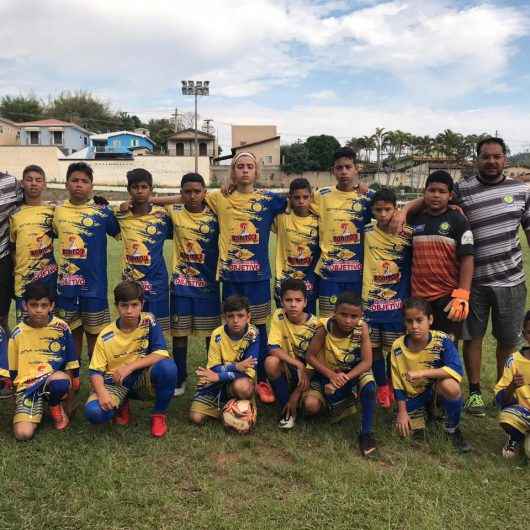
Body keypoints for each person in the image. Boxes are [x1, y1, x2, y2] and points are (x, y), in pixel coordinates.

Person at [398, 137, 530, 417]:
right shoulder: (463, 189)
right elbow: (434, 195)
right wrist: (405, 210)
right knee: (473, 337)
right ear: (477, 159)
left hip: (511, 279)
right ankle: (473, 392)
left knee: (507, 338)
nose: (491, 161)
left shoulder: (521, 189)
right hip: (475, 282)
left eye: (497, 156)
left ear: (505, 158)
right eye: (485, 156)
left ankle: (502, 391)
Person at [84, 280, 177, 438]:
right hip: (115, 382)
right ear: (117, 306)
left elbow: (161, 353)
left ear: (142, 304)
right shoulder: (106, 335)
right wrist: (102, 394)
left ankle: (159, 415)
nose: (129, 311)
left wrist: (130, 367)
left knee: (168, 369)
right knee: (94, 413)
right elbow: (95, 372)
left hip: (141, 377)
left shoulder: (149, 321)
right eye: (124, 305)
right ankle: (121, 404)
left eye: (134, 305)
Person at [53, 162, 120, 364]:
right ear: (66, 184)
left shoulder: (103, 212)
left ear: (91, 186)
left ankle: (95, 380)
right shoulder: (57, 212)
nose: (79, 185)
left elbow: (119, 231)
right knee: (71, 333)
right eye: (75, 180)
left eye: (84, 181)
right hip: (67, 286)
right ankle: (72, 377)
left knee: (95, 335)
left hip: (95, 287)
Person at [0, 282, 79, 440]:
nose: (39, 310)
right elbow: (13, 371)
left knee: (60, 383)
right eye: (34, 305)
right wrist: (18, 396)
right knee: (23, 434)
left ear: (51, 306)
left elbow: (71, 362)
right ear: (24, 306)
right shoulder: (17, 333)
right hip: (27, 386)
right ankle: (36, 406)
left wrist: (70, 397)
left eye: (44, 305)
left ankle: (55, 405)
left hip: (52, 379)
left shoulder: (61, 328)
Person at [390, 298, 471, 453]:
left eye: (419, 320)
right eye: (409, 321)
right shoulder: (397, 347)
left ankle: (452, 429)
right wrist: (401, 412)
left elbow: (455, 370)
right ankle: (427, 413)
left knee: (451, 387)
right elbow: (397, 383)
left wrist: (422, 373)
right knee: (406, 434)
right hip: (412, 395)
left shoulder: (442, 340)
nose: (414, 326)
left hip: (436, 389)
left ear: (430, 319)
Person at [165, 172, 220, 397]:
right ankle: (180, 377)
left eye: (197, 191)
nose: (192, 196)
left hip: (209, 285)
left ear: (205, 193)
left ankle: (211, 374)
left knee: (211, 334)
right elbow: (151, 203)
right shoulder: (174, 212)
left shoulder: (216, 215)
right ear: (181, 195)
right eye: (187, 192)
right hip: (181, 284)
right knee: (180, 333)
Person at [303, 291, 377, 457]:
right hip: (328, 373)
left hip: (353, 372)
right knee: (310, 405)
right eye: (343, 314)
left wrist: (345, 378)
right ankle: (340, 403)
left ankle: (367, 433)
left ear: (360, 316)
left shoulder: (362, 328)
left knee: (370, 387)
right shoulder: (325, 327)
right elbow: (310, 356)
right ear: (334, 312)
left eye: (354, 316)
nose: (348, 320)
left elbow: (367, 362)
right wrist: (331, 375)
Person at [408, 171, 474, 341]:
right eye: (431, 190)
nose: (436, 195)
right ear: (424, 193)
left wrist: (462, 294)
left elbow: (467, 258)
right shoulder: (414, 218)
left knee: (446, 348)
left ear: (450, 195)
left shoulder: (458, 220)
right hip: (419, 298)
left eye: (442, 192)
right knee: (420, 346)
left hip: (447, 298)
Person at [362, 187, 412, 408]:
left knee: (394, 349)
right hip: (370, 303)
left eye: (388, 210)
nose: (383, 214)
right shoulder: (365, 232)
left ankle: (393, 384)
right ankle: (381, 385)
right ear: (372, 210)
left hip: (395, 304)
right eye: (378, 210)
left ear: (396, 209)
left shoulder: (407, 234)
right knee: (372, 347)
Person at [312, 147, 374, 317]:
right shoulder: (320, 196)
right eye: (339, 168)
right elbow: (296, 206)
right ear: (333, 171)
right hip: (329, 274)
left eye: (348, 167)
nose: (344, 172)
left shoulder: (368, 197)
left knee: (355, 323)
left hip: (358, 274)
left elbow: (392, 215)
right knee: (327, 321)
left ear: (356, 169)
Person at [115, 168, 172, 332]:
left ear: (151, 189)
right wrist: (121, 206)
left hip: (157, 283)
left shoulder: (163, 215)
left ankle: (157, 357)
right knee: (132, 328)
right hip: (130, 283)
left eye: (144, 187)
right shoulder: (120, 216)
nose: (140, 191)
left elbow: (184, 201)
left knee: (156, 328)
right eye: (135, 187)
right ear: (128, 190)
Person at [189, 295, 259, 426]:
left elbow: (248, 372)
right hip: (216, 382)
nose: (236, 320)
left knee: (242, 387)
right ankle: (227, 409)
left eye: (240, 315)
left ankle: (240, 406)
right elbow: (214, 368)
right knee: (196, 417)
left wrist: (218, 376)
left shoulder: (253, 334)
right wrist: (235, 366)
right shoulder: (217, 334)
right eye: (231, 316)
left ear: (248, 317)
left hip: (238, 381)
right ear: (224, 317)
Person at [265, 278, 321, 429]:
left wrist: (296, 395)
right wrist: (297, 364)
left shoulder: (316, 325)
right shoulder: (279, 315)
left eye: (298, 300)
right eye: (288, 300)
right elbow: (273, 348)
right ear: (281, 302)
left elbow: (315, 363)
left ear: (305, 302)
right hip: (292, 369)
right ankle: (286, 409)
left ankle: (299, 401)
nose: (293, 304)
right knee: (271, 362)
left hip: (310, 373)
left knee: (312, 406)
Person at [10, 165, 57, 323]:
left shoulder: (53, 212)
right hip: (23, 282)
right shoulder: (14, 214)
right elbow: (12, 248)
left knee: (49, 328)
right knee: (24, 330)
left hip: (47, 279)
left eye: (38, 180)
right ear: (22, 183)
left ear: (44, 184)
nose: (34, 183)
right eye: (29, 180)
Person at [273, 178, 319, 314]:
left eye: (305, 197)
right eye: (296, 197)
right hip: (284, 280)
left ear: (311, 197)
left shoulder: (319, 219)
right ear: (290, 198)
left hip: (309, 280)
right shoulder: (282, 218)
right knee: (284, 324)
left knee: (308, 323)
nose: (301, 201)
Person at [494, 310, 530, 458]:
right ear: (524, 333)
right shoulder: (514, 360)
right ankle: (515, 437)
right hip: (522, 413)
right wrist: (512, 387)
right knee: (507, 416)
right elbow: (501, 400)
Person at [0, 170, 23, 397]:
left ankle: (7, 372)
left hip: (3, 258)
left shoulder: (10, 183)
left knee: (1, 320)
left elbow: (27, 209)